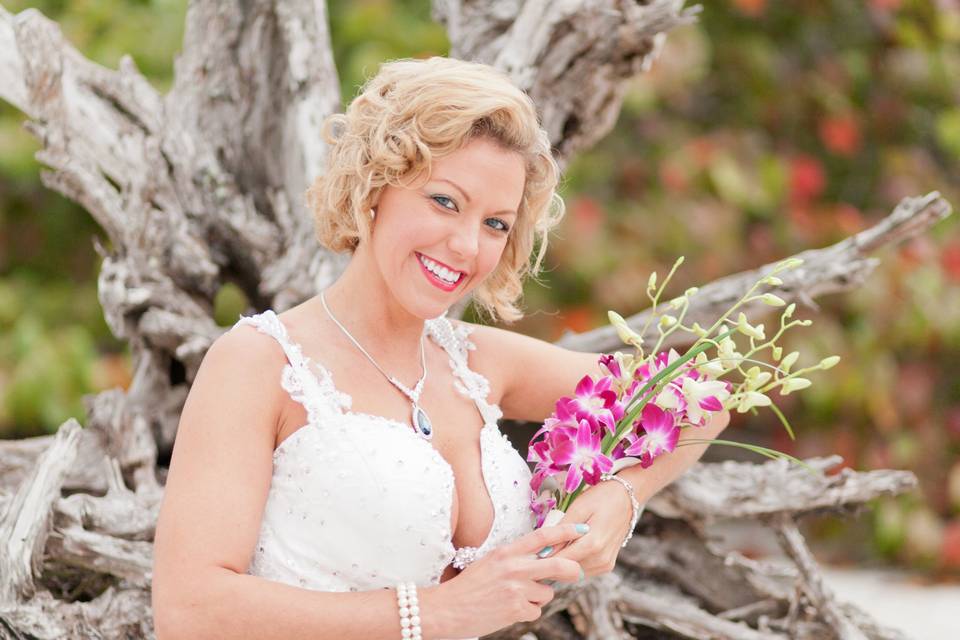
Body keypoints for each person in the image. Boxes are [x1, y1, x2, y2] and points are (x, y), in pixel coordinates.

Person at [150, 56, 729, 640]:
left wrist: (625, 493)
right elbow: (188, 610)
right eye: (445, 202)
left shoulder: (478, 361)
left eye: (496, 224)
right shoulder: (259, 362)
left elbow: (702, 394)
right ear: (376, 185)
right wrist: (437, 613)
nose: (465, 245)